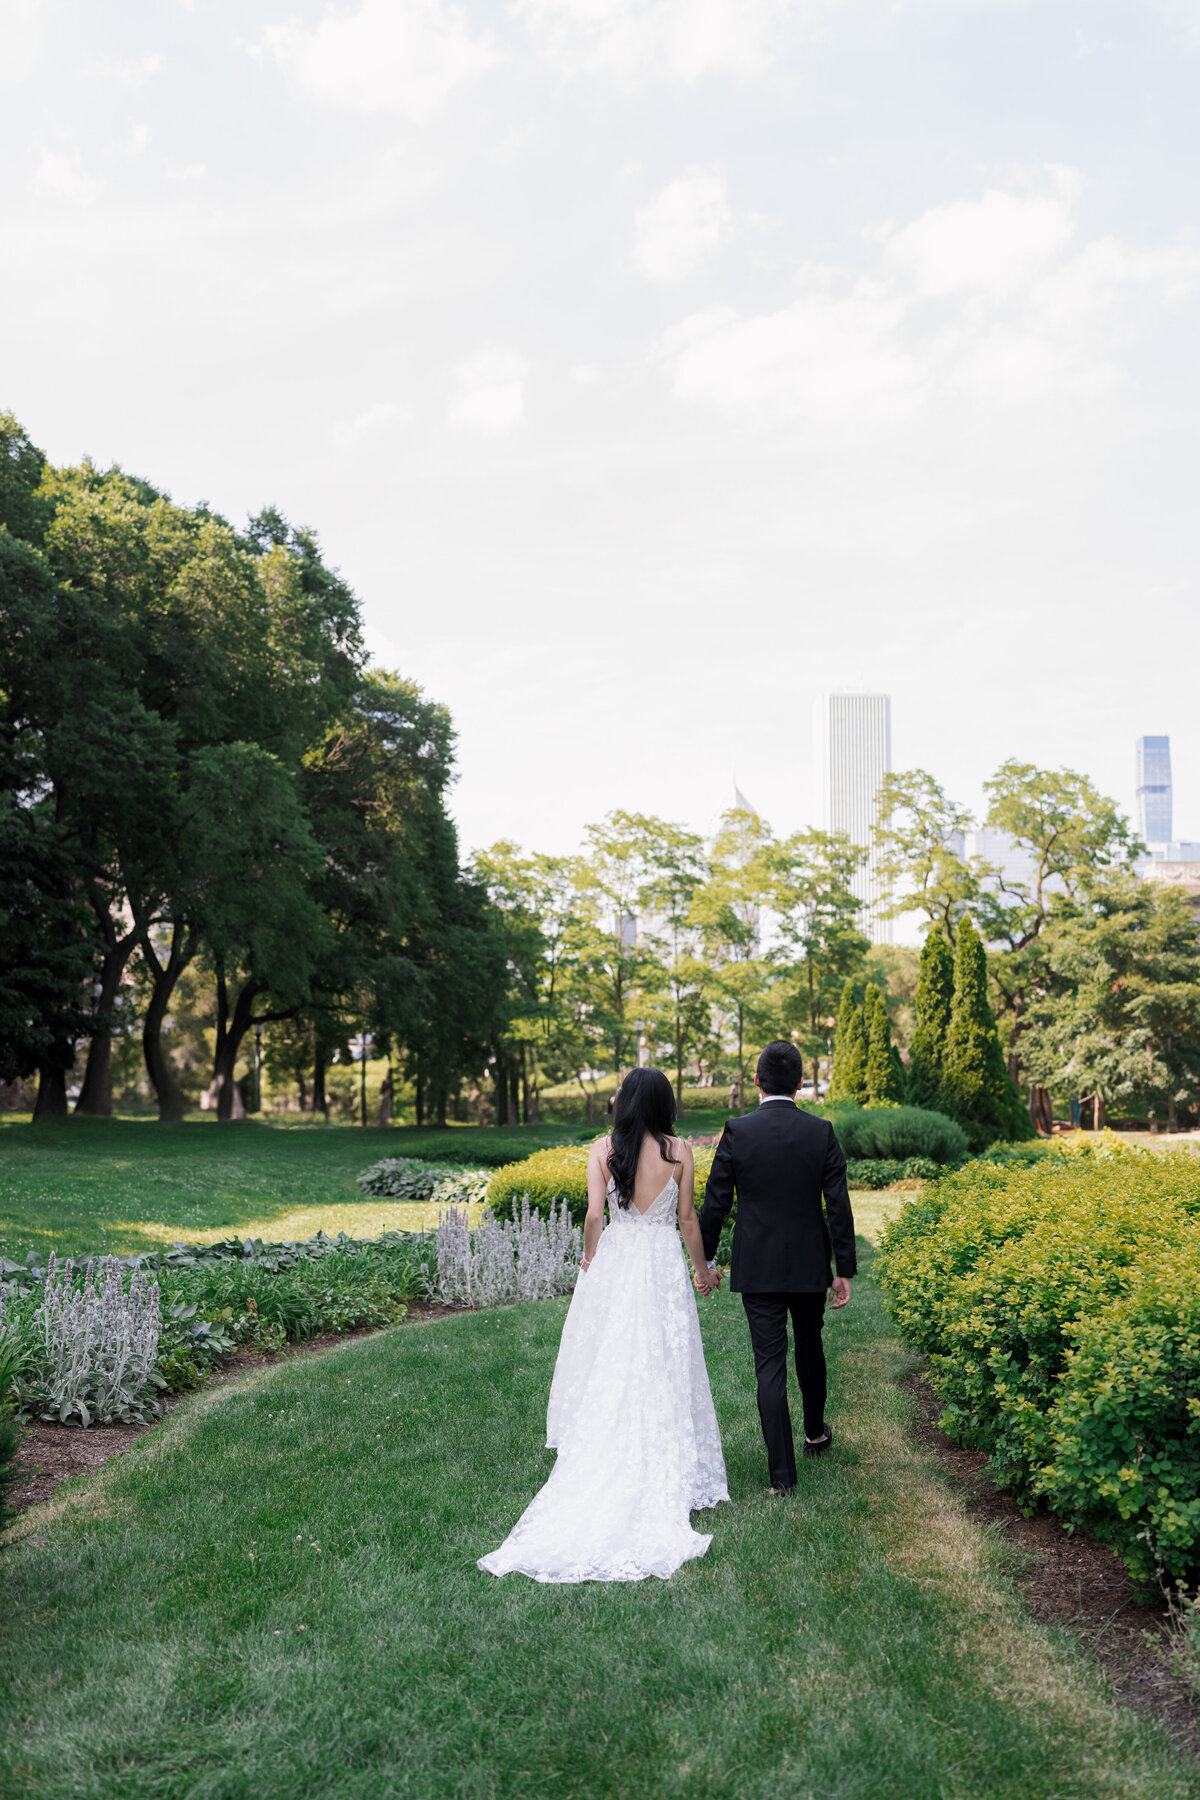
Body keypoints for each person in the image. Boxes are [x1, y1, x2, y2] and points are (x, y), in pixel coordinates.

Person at [478, 1067, 729, 1582]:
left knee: (614, 1355)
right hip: (660, 1262)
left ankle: (609, 1445)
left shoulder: (601, 1149)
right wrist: (702, 1272)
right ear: (664, 1103)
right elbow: (687, 1220)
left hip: (618, 1258)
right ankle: (662, 1453)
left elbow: (595, 1216)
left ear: (624, 1103)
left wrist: (590, 1262)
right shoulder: (680, 1151)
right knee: (662, 1357)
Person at [698, 1039, 855, 1495]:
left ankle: (782, 1478)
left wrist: (705, 1260)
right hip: (809, 1263)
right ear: (801, 1083)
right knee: (810, 1345)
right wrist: (842, 1267)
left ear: (756, 1082)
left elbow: (715, 1203)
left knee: (770, 1366)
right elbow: (838, 1205)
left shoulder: (737, 1131)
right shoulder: (821, 1131)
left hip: (759, 1265)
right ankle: (815, 1433)